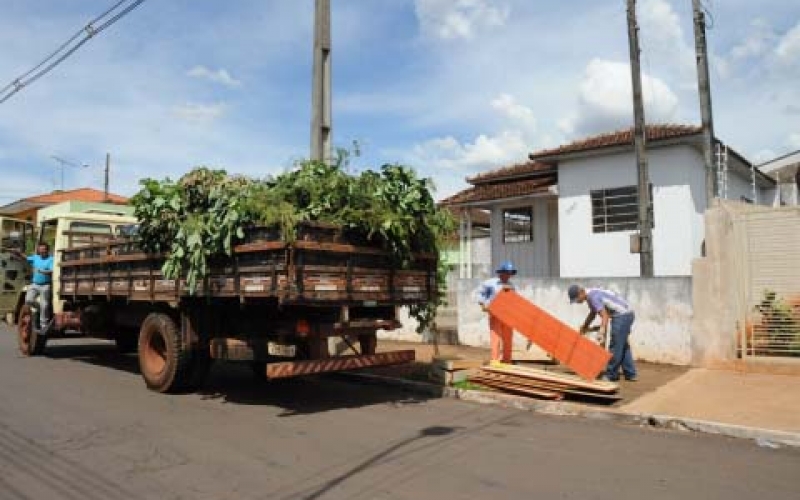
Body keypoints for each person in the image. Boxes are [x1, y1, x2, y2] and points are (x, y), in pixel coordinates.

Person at [568, 284, 636, 382]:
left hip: (621, 316)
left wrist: (602, 331)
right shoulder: (591, 293)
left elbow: (605, 316)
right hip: (628, 313)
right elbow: (593, 313)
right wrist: (585, 326)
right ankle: (630, 373)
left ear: (581, 292)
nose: (578, 302)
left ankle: (611, 375)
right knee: (622, 344)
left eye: (577, 299)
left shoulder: (592, 297)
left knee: (615, 345)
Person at [477, 261, 517, 363]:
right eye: (506, 273)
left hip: (508, 315)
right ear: (501, 272)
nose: (508, 275)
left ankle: (507, 360)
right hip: (495, 313)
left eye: (509, 273)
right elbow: (481, 292)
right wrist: (483, 304)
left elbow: (515, 299)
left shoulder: (511, 285)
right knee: (496, 337)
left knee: (508, 338)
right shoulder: (491, 283)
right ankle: (495, 360)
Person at [13, 242, 54, 331]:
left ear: (47, 250)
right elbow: (25, 258)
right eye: (41, 249)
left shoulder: (51, 259)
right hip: (35, 284)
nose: (42, 251)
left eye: (44, 249)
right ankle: (39, 308)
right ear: (39, 250)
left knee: (45, 305)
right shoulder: (36, 258)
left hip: (45, 285)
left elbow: (52, 270)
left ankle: (43, 325)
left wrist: (43, 271)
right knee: (28, 300)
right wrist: (18, 253)